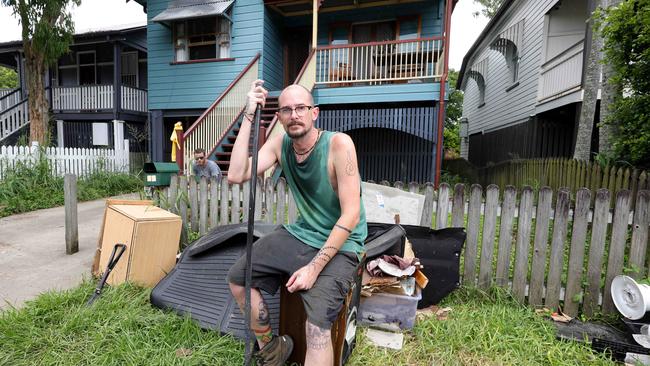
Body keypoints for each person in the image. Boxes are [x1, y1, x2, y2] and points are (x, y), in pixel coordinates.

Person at [227, 80, 367, 366]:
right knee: (238, 277)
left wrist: (314, 268)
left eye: (301, 108)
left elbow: (350, 215)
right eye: (286, 110)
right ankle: (271, 349)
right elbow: (236, 174)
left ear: (314, 113)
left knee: (316, 327)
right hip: (303, 233)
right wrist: (249, 114)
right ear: (279, 117)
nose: (294, 115)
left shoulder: (339, 144)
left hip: (343, 243)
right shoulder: (280, 144)